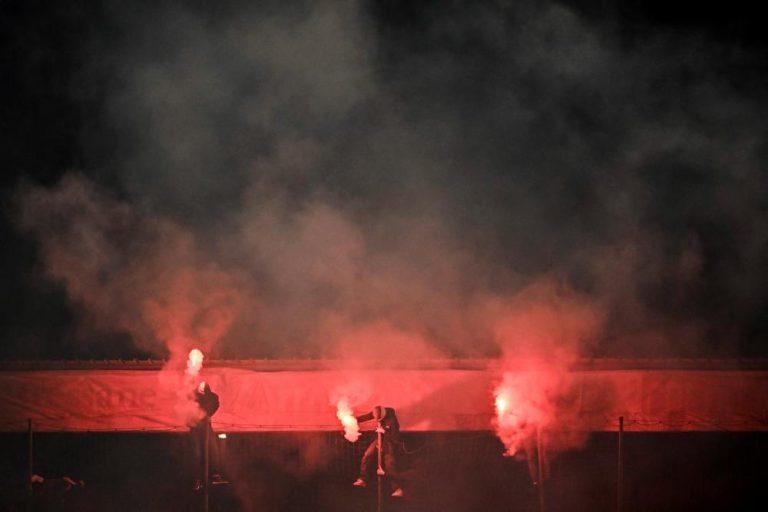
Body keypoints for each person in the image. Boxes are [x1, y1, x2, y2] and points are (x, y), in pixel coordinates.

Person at [352, 405, 404, 497]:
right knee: (367, 454)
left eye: (378, 419)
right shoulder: (377, 411)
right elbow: (365, 417)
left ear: (383, 416)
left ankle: (397, 488)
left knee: (389, 463)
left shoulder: (392, 420)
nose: (375, 419)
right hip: (380, 438)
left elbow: (395, 438)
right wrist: (351, 420)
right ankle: (363, 479)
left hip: (389, 440)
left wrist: (384, 432)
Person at [189, 381, 220, 490]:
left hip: (205, 425)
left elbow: (214, 404)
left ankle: (214, 475)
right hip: (195, 427)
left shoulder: (211, 398)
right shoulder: (192, 397)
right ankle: (197, 479)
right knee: (196, 453)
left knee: (212, 450)